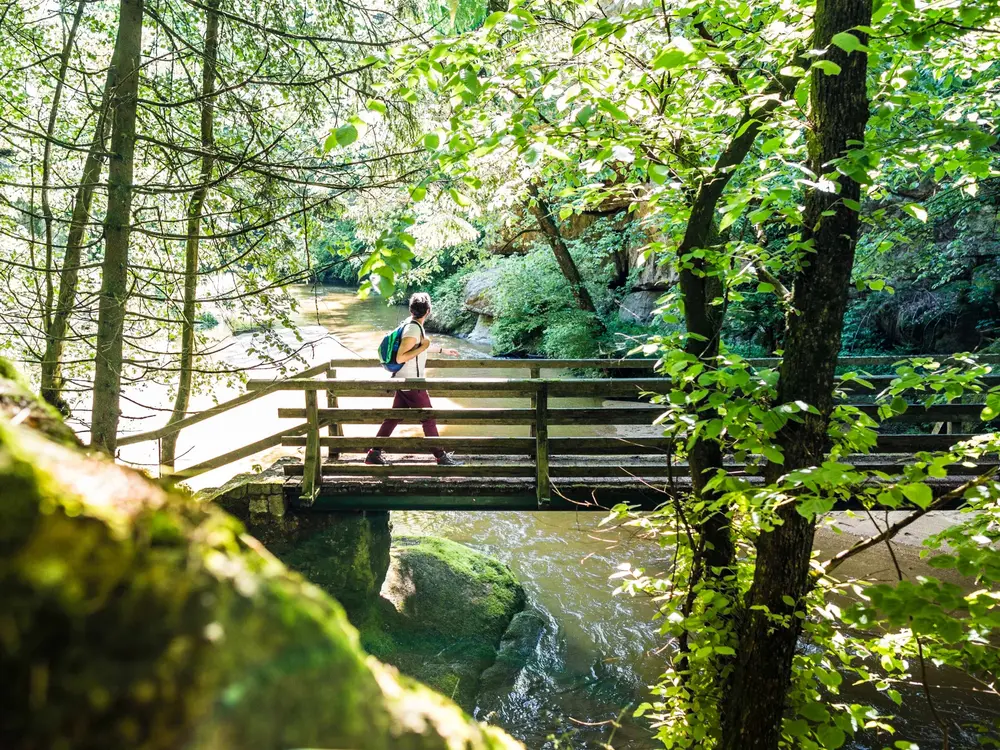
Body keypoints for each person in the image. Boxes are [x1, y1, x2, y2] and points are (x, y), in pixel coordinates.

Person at [366, 292, 465, 466]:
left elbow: (417, 346)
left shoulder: (412, 326)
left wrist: (442, 350)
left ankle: (374, 453)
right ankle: (440, 457)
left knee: (394, 417)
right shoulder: (412, 328)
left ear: (412, 310)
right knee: (428, 417)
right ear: (428, 310)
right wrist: (425, 346)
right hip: (411, 382)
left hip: (406, 381)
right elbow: (400, 357)